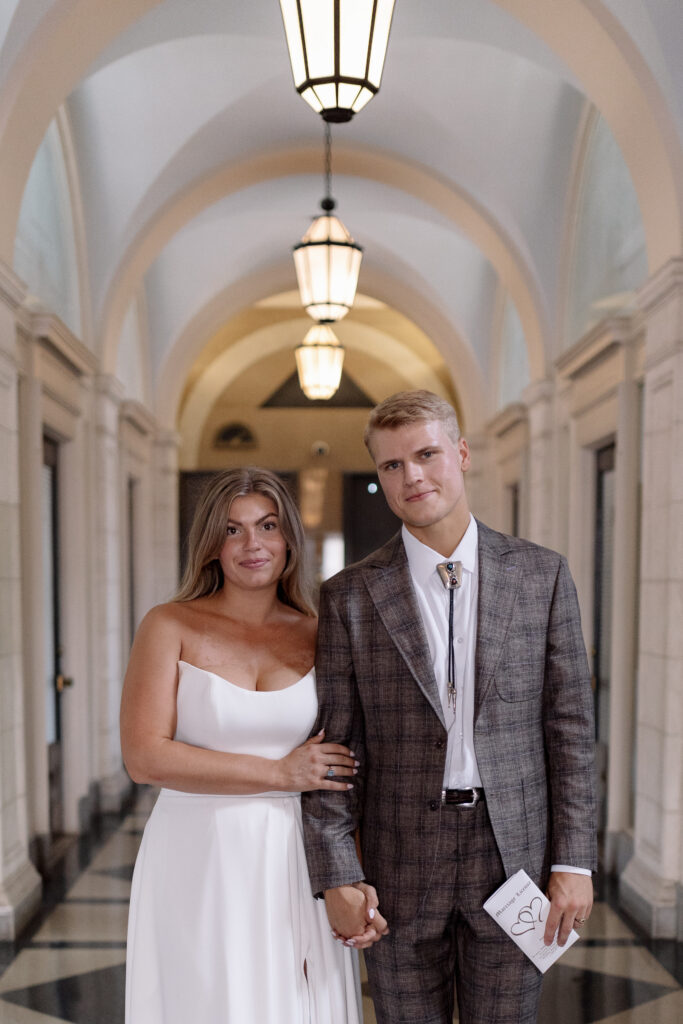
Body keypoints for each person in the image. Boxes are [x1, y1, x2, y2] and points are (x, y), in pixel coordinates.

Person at [302, 390, 597, 1024]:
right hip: (396, 860)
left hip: (515, 852)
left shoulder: (541, 576)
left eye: (426, 454)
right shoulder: (349, 596)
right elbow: (333, 748)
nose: (411, 476)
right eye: (391, 466)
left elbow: (569, 729)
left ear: (460, 455)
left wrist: (573, 860)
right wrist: (337, 874)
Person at [121, 467, 363, 1024]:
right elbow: (144, 757)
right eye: (233, 530)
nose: (253, 544)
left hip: (294, 855)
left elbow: (348, 762)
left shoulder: (321, 632)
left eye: (267, 525)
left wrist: (352, 873)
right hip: (196, 854)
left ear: (288, 539)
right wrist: (281, 773)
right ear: (211, 545)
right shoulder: (168, 625)